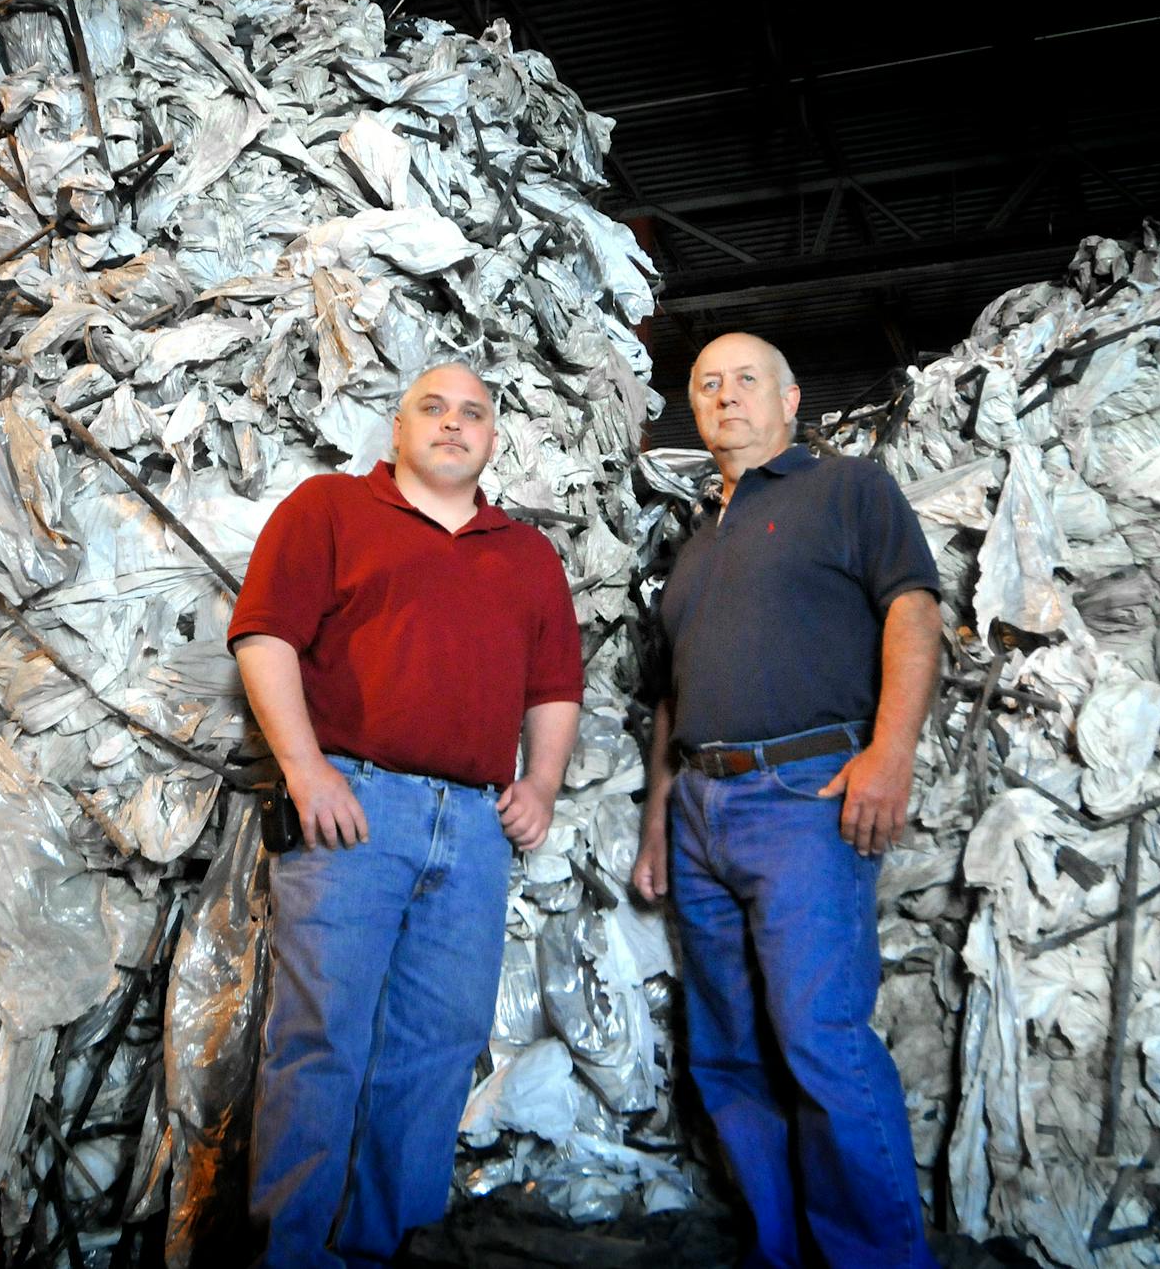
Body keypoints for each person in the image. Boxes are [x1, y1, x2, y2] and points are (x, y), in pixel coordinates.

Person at [229, 362, 583, 1269]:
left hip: (472, 828)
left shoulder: (526, 553)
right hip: (358, 808)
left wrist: (539, 784)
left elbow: (554, 688)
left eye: (473, 413)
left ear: (493, 438)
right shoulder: (331, 509)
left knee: (434, 1050)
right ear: (397, 428)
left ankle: (383, 1250)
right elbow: (264, 635)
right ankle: (292, 1256)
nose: (454, 424)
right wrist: (305, 770)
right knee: (321, 1042)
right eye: (434, 407)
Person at [630, 332, 943, 1269]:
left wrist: (890, 752)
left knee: (820, 1040)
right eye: (708, 386)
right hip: (699, 813)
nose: (727, 398)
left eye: (747, 382)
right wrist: (658, 824)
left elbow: (914, 609)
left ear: (791, 398)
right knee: (727, 1053)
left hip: (805, 796)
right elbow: (671, 699)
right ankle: (782, 1251)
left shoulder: (849, 490)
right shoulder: (693, 548)